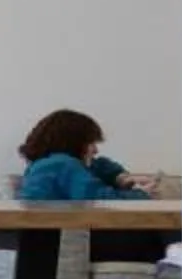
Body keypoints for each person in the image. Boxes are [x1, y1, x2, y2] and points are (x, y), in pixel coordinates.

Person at [16, 108, 169, 263]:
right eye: (91, 143)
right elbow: (101, 201)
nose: (96, 150)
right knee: (153, 236)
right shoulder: (63, 165)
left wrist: (120, 177)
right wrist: (143, 195)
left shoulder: (48, 164)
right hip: (59, 242)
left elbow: (98, 165)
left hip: (51, 240)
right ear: (73, 141)